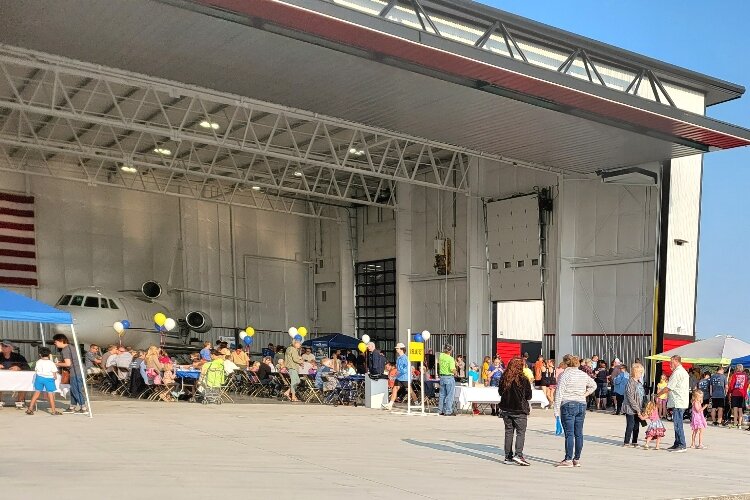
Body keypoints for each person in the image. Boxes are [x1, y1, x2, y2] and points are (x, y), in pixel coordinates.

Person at [554, 355, 596, 467]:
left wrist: (556, 411)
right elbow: (593, 385)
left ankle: (568, 459)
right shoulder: (583, 374)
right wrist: (584, 394)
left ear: (566, 364)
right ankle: (576, 458)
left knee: (569, 434)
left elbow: (559, 392)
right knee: (579, 433)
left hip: (568, 403)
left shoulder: (565, 375)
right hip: (581, 404)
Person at [498, 357, 533, 466]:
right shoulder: (523, 379)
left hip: (506, 409)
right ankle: (518, 454)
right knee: (520, 432)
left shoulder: (504, 377)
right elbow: (529, 395)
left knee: (508, 432)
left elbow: (500, 392)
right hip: (519, 409)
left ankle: (508, 456)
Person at [656, 355, 690, 452]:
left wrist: (658, 394)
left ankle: (682, 444)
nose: (670, 364)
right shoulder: (682, 371)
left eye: (671, 362)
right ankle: (677, 443)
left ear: (676, 361)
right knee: (676, 423)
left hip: (678, 402)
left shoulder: (678, 372)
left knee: (678, 424)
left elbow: (669, 387)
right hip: (679, 401)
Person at [53, 334, 87, 414]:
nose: (55, 344)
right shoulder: (71, 347)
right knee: (73, 389)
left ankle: (83, 407)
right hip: (79, 370)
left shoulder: (65, 349)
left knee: (76, 390)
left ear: (61, 341)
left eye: (56, 342)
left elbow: (68, 364)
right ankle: (72, 406)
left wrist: (56, 364)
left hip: (75, 371)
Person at [25, 347, 60, 415]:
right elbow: (54, 373)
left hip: (39, 378)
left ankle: (30, 408)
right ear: (49, 354)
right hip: (49, 379)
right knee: (50, 394)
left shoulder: (38, 362)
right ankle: (53, 411)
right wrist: (55, 377)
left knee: (37, 393)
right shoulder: (51, 363)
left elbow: (36, 370)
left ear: (40, 354)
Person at [383, 343, 417, 410]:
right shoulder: (398, 358)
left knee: (410, 391)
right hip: (399, 377)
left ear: (401, 349)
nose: (396, 349)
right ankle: (390, 404)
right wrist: (397, 374)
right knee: (394, 389)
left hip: (405, 377)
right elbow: (398, 368)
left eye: (397, 348)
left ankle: (416, 403)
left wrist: (398, 372)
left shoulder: (405, 358)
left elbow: (406, 369)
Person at [0, 339, 30, 409]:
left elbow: (27, 367)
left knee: (24, 383)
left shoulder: (19, 357)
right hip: (2, 378)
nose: (3, 347)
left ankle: (19, 402)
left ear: (11, 348)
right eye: (2, 346)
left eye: (5, 346)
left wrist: (19, 368)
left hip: (16, 378)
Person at [622, 363, 644, 448]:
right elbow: (630, 397)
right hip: (630, 408)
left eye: (641, 372)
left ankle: (634, 441)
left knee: (637, 425)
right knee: (630, 424)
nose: (641, 374)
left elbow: (642, 395)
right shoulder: (630, 382)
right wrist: (637, 408)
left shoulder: (639, 382)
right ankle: (626, 442)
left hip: (638, 407)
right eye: (640, 372)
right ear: (635, 372)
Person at [438, 344, 457, 416]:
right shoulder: (451, 359)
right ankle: (448, 411)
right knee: (450, 395)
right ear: (451, 351)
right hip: (449, 377)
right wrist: (456, 372)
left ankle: (440, 410)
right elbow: (452, 369)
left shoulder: (441, 356)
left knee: (442, 394)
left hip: (442, 377)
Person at [727, 364, 748, 428]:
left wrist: (730, 392)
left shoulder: (734, 375)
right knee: (740, 409)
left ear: (736, 368)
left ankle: (735, 422)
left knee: (735, 408)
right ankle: (739, 424)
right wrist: (745, 394)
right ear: (742, 368)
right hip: (742, 394)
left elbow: (731, 385)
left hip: (735, 393)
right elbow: (746, 386)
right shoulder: (745, 376)